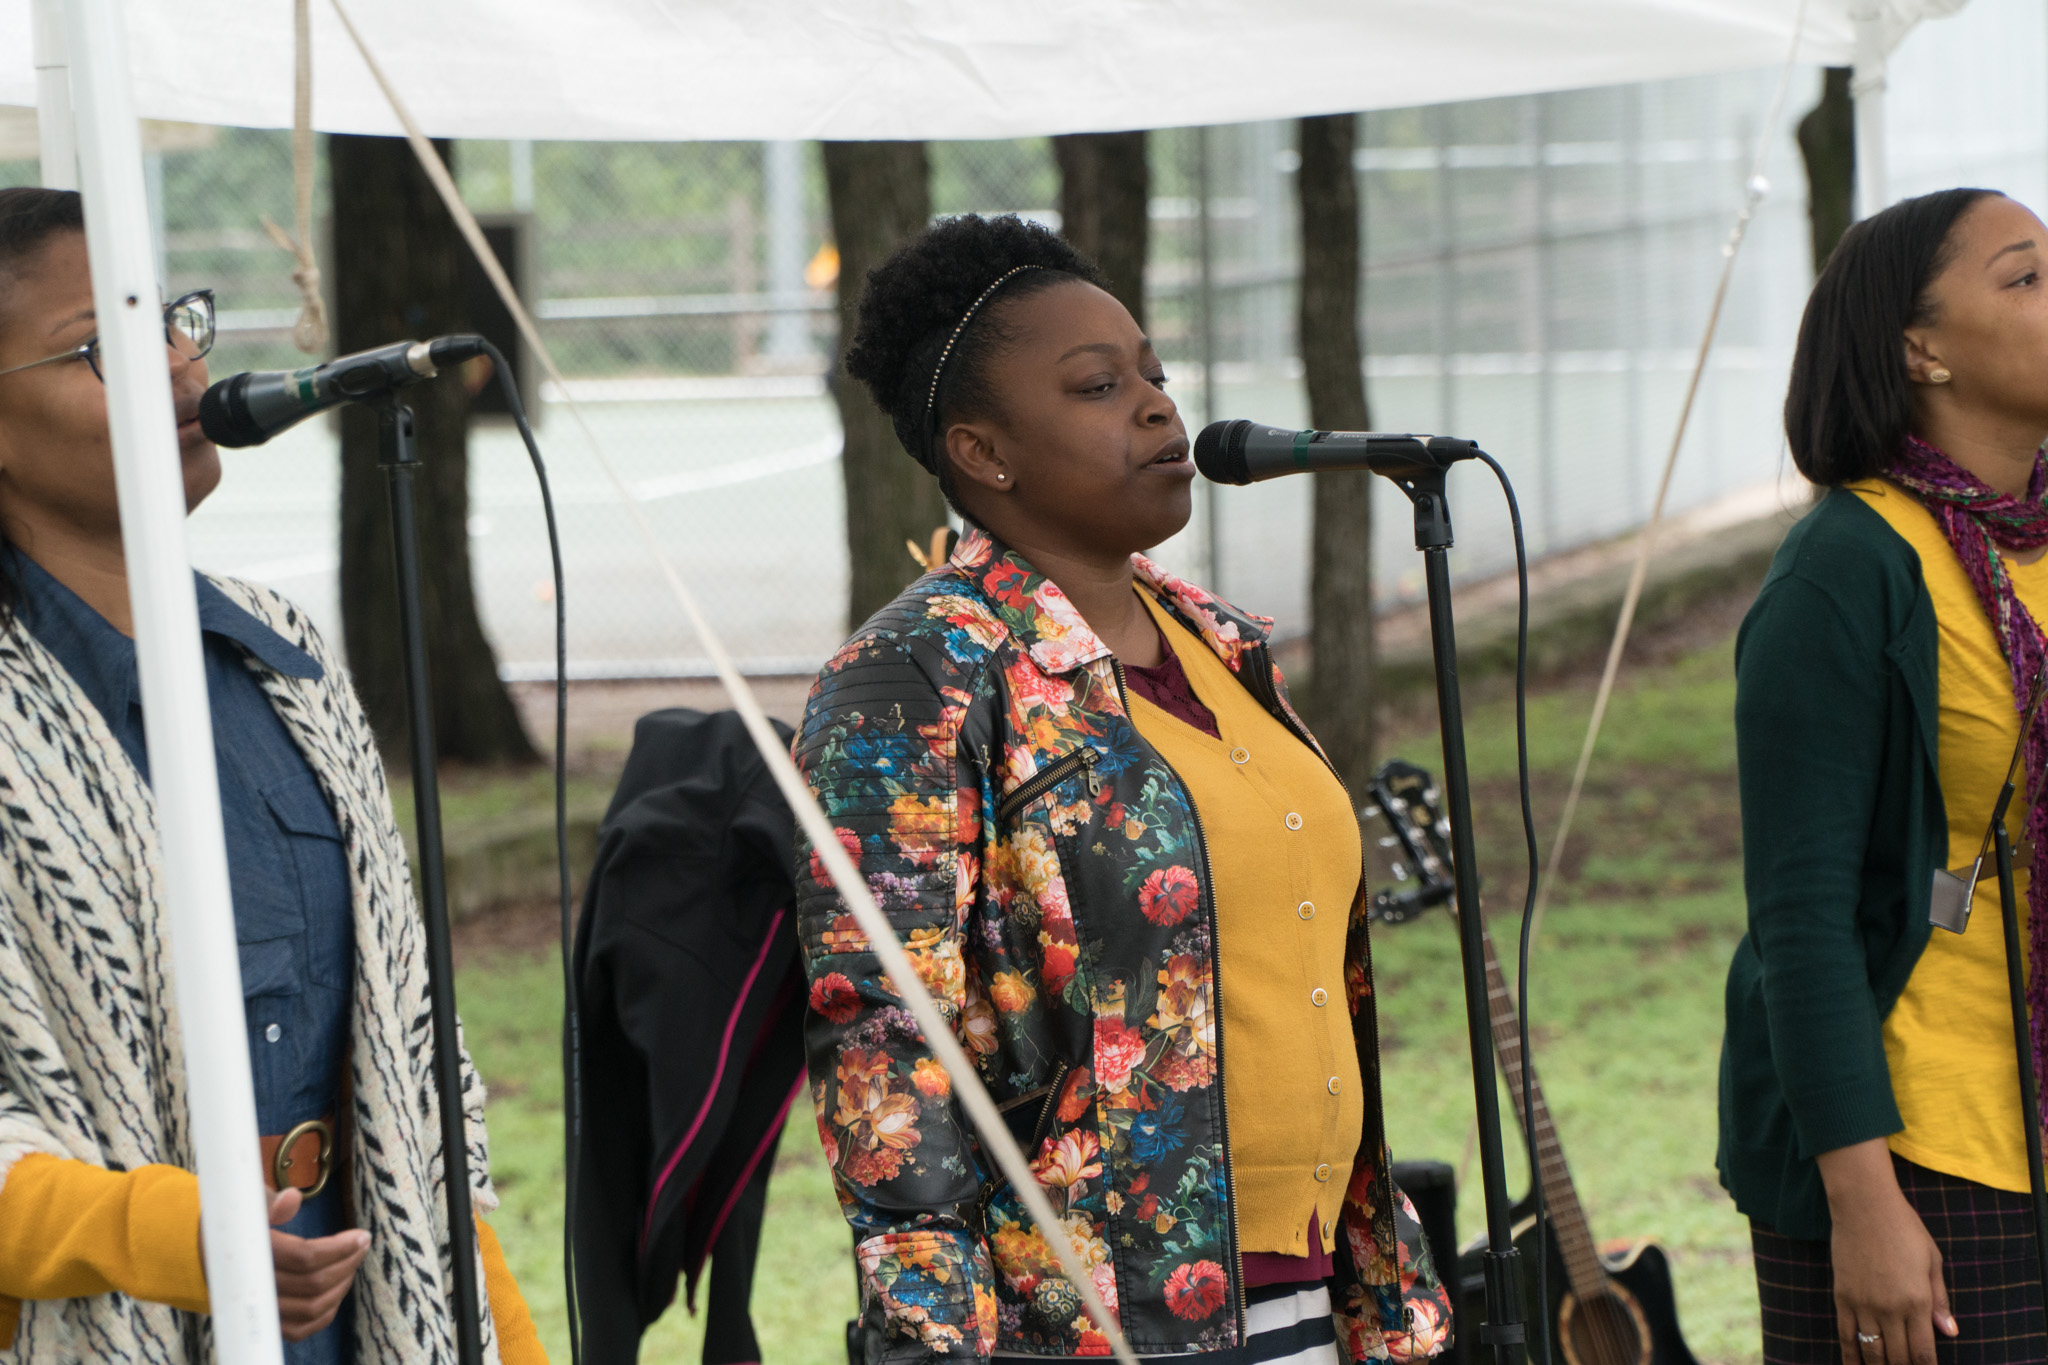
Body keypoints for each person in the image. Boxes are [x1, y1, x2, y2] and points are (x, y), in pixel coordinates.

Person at [791, 213, 1450, 1365]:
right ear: (982, 453)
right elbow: (883, 1049)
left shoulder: (1220, 643)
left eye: (1153, 375)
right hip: (1094, 1321)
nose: (1154, 407)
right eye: (1099, 387)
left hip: (1324, 1289)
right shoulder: (912, 678)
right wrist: (934, 1339)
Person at [0, 187, 542, 1362]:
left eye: (171, 320)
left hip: (364, 1306)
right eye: (101, 347)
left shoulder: (283, 656)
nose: (176, 365)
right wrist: (173, 1236)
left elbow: (409, 1058)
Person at [1720, 186, 2048, 1365]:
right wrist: (1862, 1203)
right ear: (1920, 351)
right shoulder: (1843, 569)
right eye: (2023, 277)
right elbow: (1800, 919)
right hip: (1927, 1146)